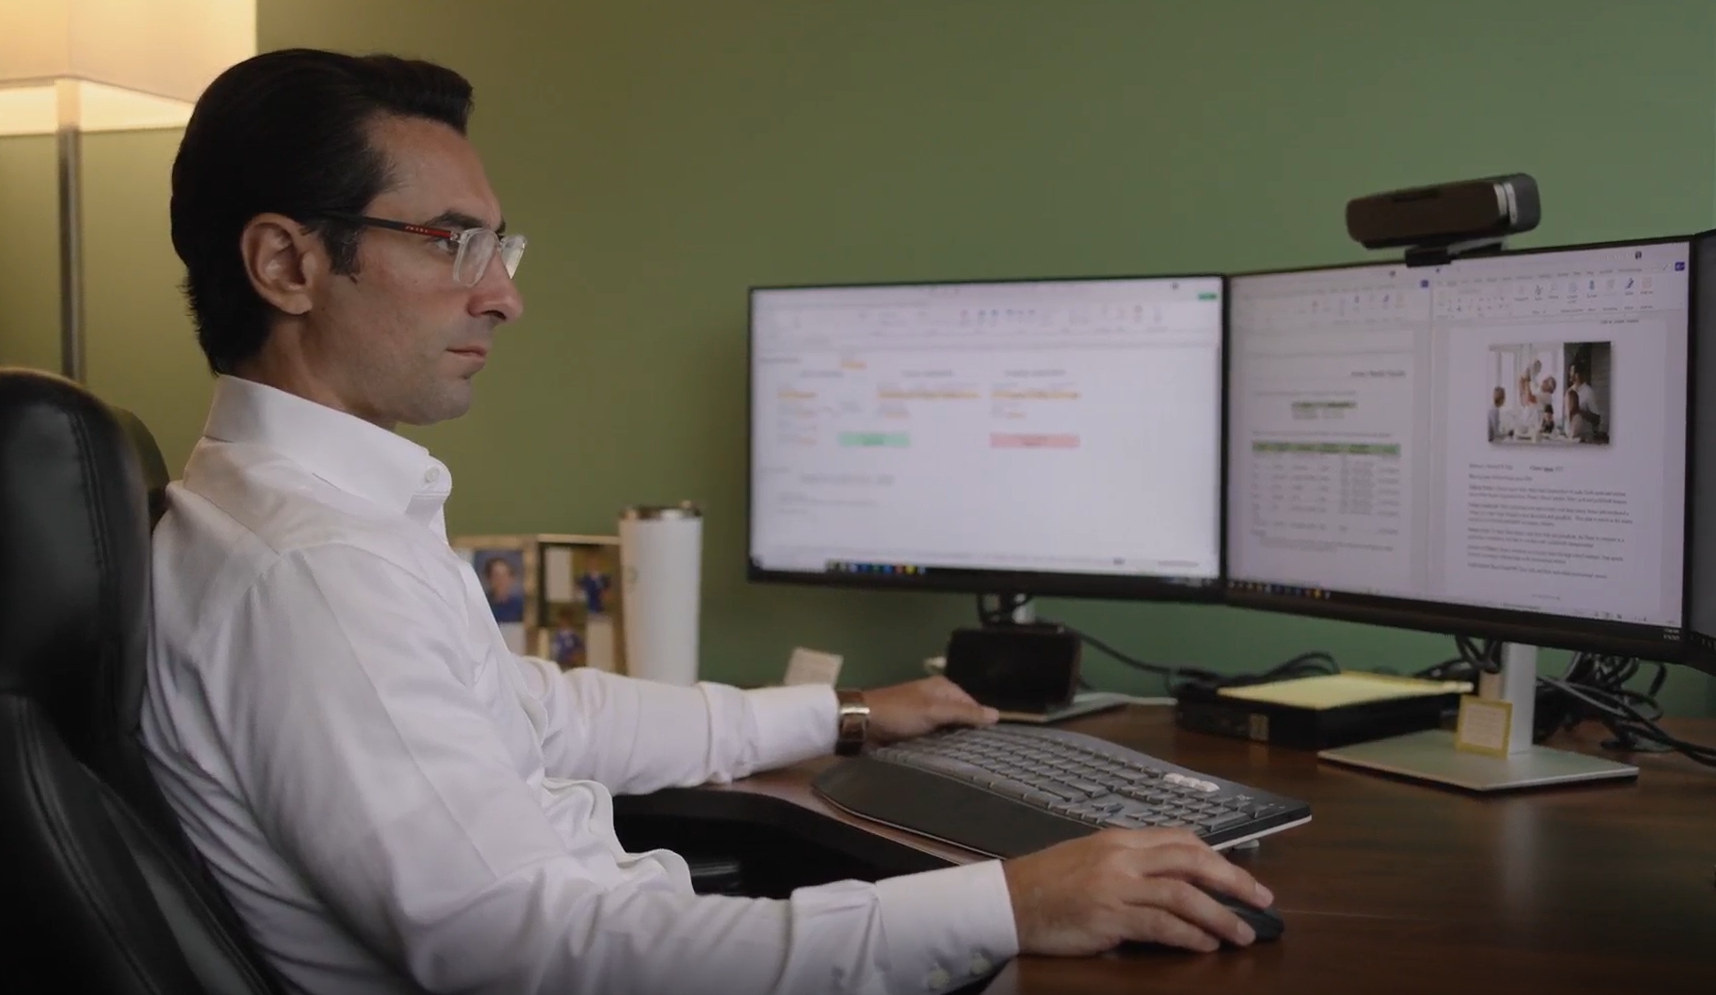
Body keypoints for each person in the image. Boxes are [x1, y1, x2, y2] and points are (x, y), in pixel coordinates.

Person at [142, 48, 1272, 995]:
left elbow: (537, 713)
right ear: (287, 263)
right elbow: (528, 945)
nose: (503, 294)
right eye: (452, 241)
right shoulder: (312, 573)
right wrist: (1007, 903)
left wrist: (841, 713)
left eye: (498, 246)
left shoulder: (308, 521)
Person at [482, 554, 524, 622]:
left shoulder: (521, 606)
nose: (501, 580)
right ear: (488, 578)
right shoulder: (482, 604)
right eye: (496, 575)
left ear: (511, 578)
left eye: (504, 575)